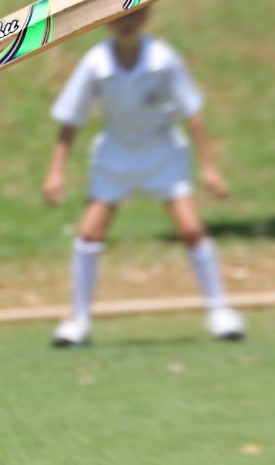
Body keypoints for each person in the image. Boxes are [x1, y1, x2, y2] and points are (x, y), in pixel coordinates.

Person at [42, 6, 244, 347]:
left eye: (133, 13)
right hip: (115, 153)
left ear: (146, 16)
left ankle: (220, 311)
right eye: (117, 14)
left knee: (191, 229)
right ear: (105, 19)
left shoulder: (164, 59)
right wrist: (55, 172)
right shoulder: (95, 64)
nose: (126, 22)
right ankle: (78, 321)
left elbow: (192, 113)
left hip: (161, 149)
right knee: (89, 234)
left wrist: (210, 169)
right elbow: (71, 119)